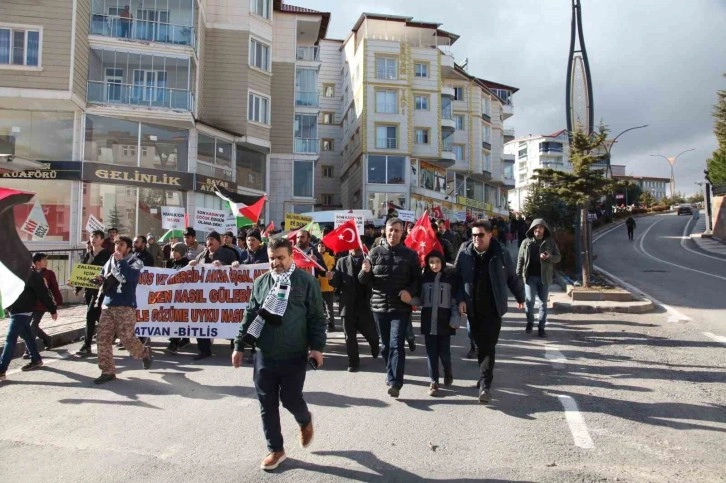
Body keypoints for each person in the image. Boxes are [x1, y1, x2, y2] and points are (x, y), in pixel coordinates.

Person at [232, 236, 326, 471]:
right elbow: (250, 314)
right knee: (267, 403)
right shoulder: (261, 283)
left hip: (294, 353)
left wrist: (317, 348)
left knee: (291, 399)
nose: (276, 263)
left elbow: (317, 318)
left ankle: (305, 420)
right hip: (264, 353)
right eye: (272, 258)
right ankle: (276, 450)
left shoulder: (305, 282)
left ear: (291, 256)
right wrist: (238, 346)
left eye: (281, 258)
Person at [456, 220, 524, 404]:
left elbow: (511, 276)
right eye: (473, 235)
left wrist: (520, 297)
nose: (476, 239)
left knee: (489, 345)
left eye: (480, 235)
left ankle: (485, 385)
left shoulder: (500, 253)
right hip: (473, 307)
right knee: (479, 346)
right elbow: (457, 277)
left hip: (494, 307)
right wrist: (460, 299)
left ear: (489, 235)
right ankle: (484, 376)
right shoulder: (464, 251)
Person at [359, 217, 420, 398]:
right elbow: (363, 281)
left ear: (402, 233)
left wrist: (409, 292)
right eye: (390, 230)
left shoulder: (410, 255)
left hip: (400, 308)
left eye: (397, 230)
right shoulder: (375, 252)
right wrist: (365, 270)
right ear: (384, 231)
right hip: (379, 308)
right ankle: (390, 372)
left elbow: (417, 280)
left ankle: (395, 382)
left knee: (396, 345)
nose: (393, 233)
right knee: (385, 346)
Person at [93, 236, 152, 384]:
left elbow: (131, 278)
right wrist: (99, 279)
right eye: (116, 244)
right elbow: (104, 274)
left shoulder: (136, 262)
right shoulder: (110, 260)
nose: (118, 247)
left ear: (129, 248)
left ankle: (143, 353)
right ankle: (107, 371)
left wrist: (121, 262)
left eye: (122, 244)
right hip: (108, 304)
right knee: (103, 338)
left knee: (126, 338)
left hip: (125, 305)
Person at [0, 258, 59, 381]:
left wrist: (52, 309)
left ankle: (2, 369)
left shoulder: (32, 276)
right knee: (27, 335)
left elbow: (43, 293)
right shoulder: (11, 273)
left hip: (23, 310)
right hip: (15, 310)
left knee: (10, 338)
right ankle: (36, 359)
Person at [411, 251, 458, 397]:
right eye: (431, 262)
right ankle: (434, 382)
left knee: (444, 353)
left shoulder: (450, 279)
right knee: (431, 354)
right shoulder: (424, 279)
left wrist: (455, 317)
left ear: (442, 262)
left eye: (437, 262)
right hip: (428, 320)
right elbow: (420, 300)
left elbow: (454, 301)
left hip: (445, 322)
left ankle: (448, 372)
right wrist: (409, 300)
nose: (434, 265)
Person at [188, 231, 237, 360]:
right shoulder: (201, 256)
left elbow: (238, 271)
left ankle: (237, 348)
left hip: (223, 296)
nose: (209, 241)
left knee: (229, 320)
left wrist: (225, 266)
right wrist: (191, 266)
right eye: (208, 239)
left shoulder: (229, 254)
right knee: (201, 321)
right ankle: (204, 350)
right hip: (204, 297)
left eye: (212, 239)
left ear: (218, 242)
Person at [330, 247, 380, 372]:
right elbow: (337, 282)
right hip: (347, 305)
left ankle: (375, 345)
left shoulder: (368, 260)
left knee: (371, 334)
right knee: (349, 337)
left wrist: (367, 270)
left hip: (364, 305)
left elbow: (373, 280)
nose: (354, 248)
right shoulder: (341, 261)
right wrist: (331, 278)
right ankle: (353, 362)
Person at [516, 219, 562, 337]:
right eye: (536, 228)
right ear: (532, 229)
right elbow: (520, 259)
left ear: (544, 229)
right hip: (529, 277)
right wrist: (518, 275)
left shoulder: (550, 242)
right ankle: (530, 322)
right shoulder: (526, 242)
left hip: (544, 277)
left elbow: (558, 257)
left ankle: (541, 327)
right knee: (529, 301)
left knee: (543, 304)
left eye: (541, 228)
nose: (538, 230)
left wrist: (549, 257)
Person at [75, 230, 112, 357]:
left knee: (90, 316)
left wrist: (103, 280)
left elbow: (111, 272)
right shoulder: (88, 254)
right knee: (97, 317)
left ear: (102, 240)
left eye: (96, 237)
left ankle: (87, 345)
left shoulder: (107, 255)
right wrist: (77, 287)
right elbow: (83, 271)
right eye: (92, 236)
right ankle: (114, 333)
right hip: (89, 291)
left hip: (101, 291)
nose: (93, 239)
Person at [23, 253, 62, 357]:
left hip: (42, 304)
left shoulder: (49, 273)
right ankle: (46, 338)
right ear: (37, 262)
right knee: (25, 326)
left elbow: (54, 288)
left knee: (33, 325)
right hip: (28, 304)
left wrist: (57, 303)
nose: (47, 262)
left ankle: (28, 350)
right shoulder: (28, 272)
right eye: (44, 260)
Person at [164, 242, 191, 354]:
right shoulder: (170, 263)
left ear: (182, 252)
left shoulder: (188, 263)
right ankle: (181, 339)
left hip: (183, 296)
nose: (173, 253)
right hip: (172, 296)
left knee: (179, 319)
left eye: (176, 250)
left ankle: (174, 342)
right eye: (172, 250)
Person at [316, 241, 337, 332]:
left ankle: (331, 325)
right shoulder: (314, 257)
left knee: (329, 308)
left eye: (322, 246)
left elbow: (327, 270)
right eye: (319, 246)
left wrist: (318, 269)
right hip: (317, 286)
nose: (321, 247)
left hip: (327, 287)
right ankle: (322, 325)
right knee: (319, 308)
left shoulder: (330, 258)